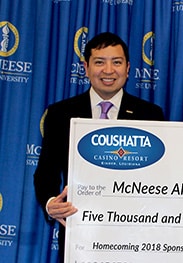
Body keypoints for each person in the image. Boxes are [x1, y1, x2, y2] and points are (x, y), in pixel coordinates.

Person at [33, 32, 165, 262]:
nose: (108, 70)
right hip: (80, 230)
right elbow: (46, 171)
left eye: (116, 62)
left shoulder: (151, 115)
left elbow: (163, 175)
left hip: (136, 232)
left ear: (127, 67)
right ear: (85, 67)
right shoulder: (60, 113)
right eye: (99, 62)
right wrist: (50, 203)